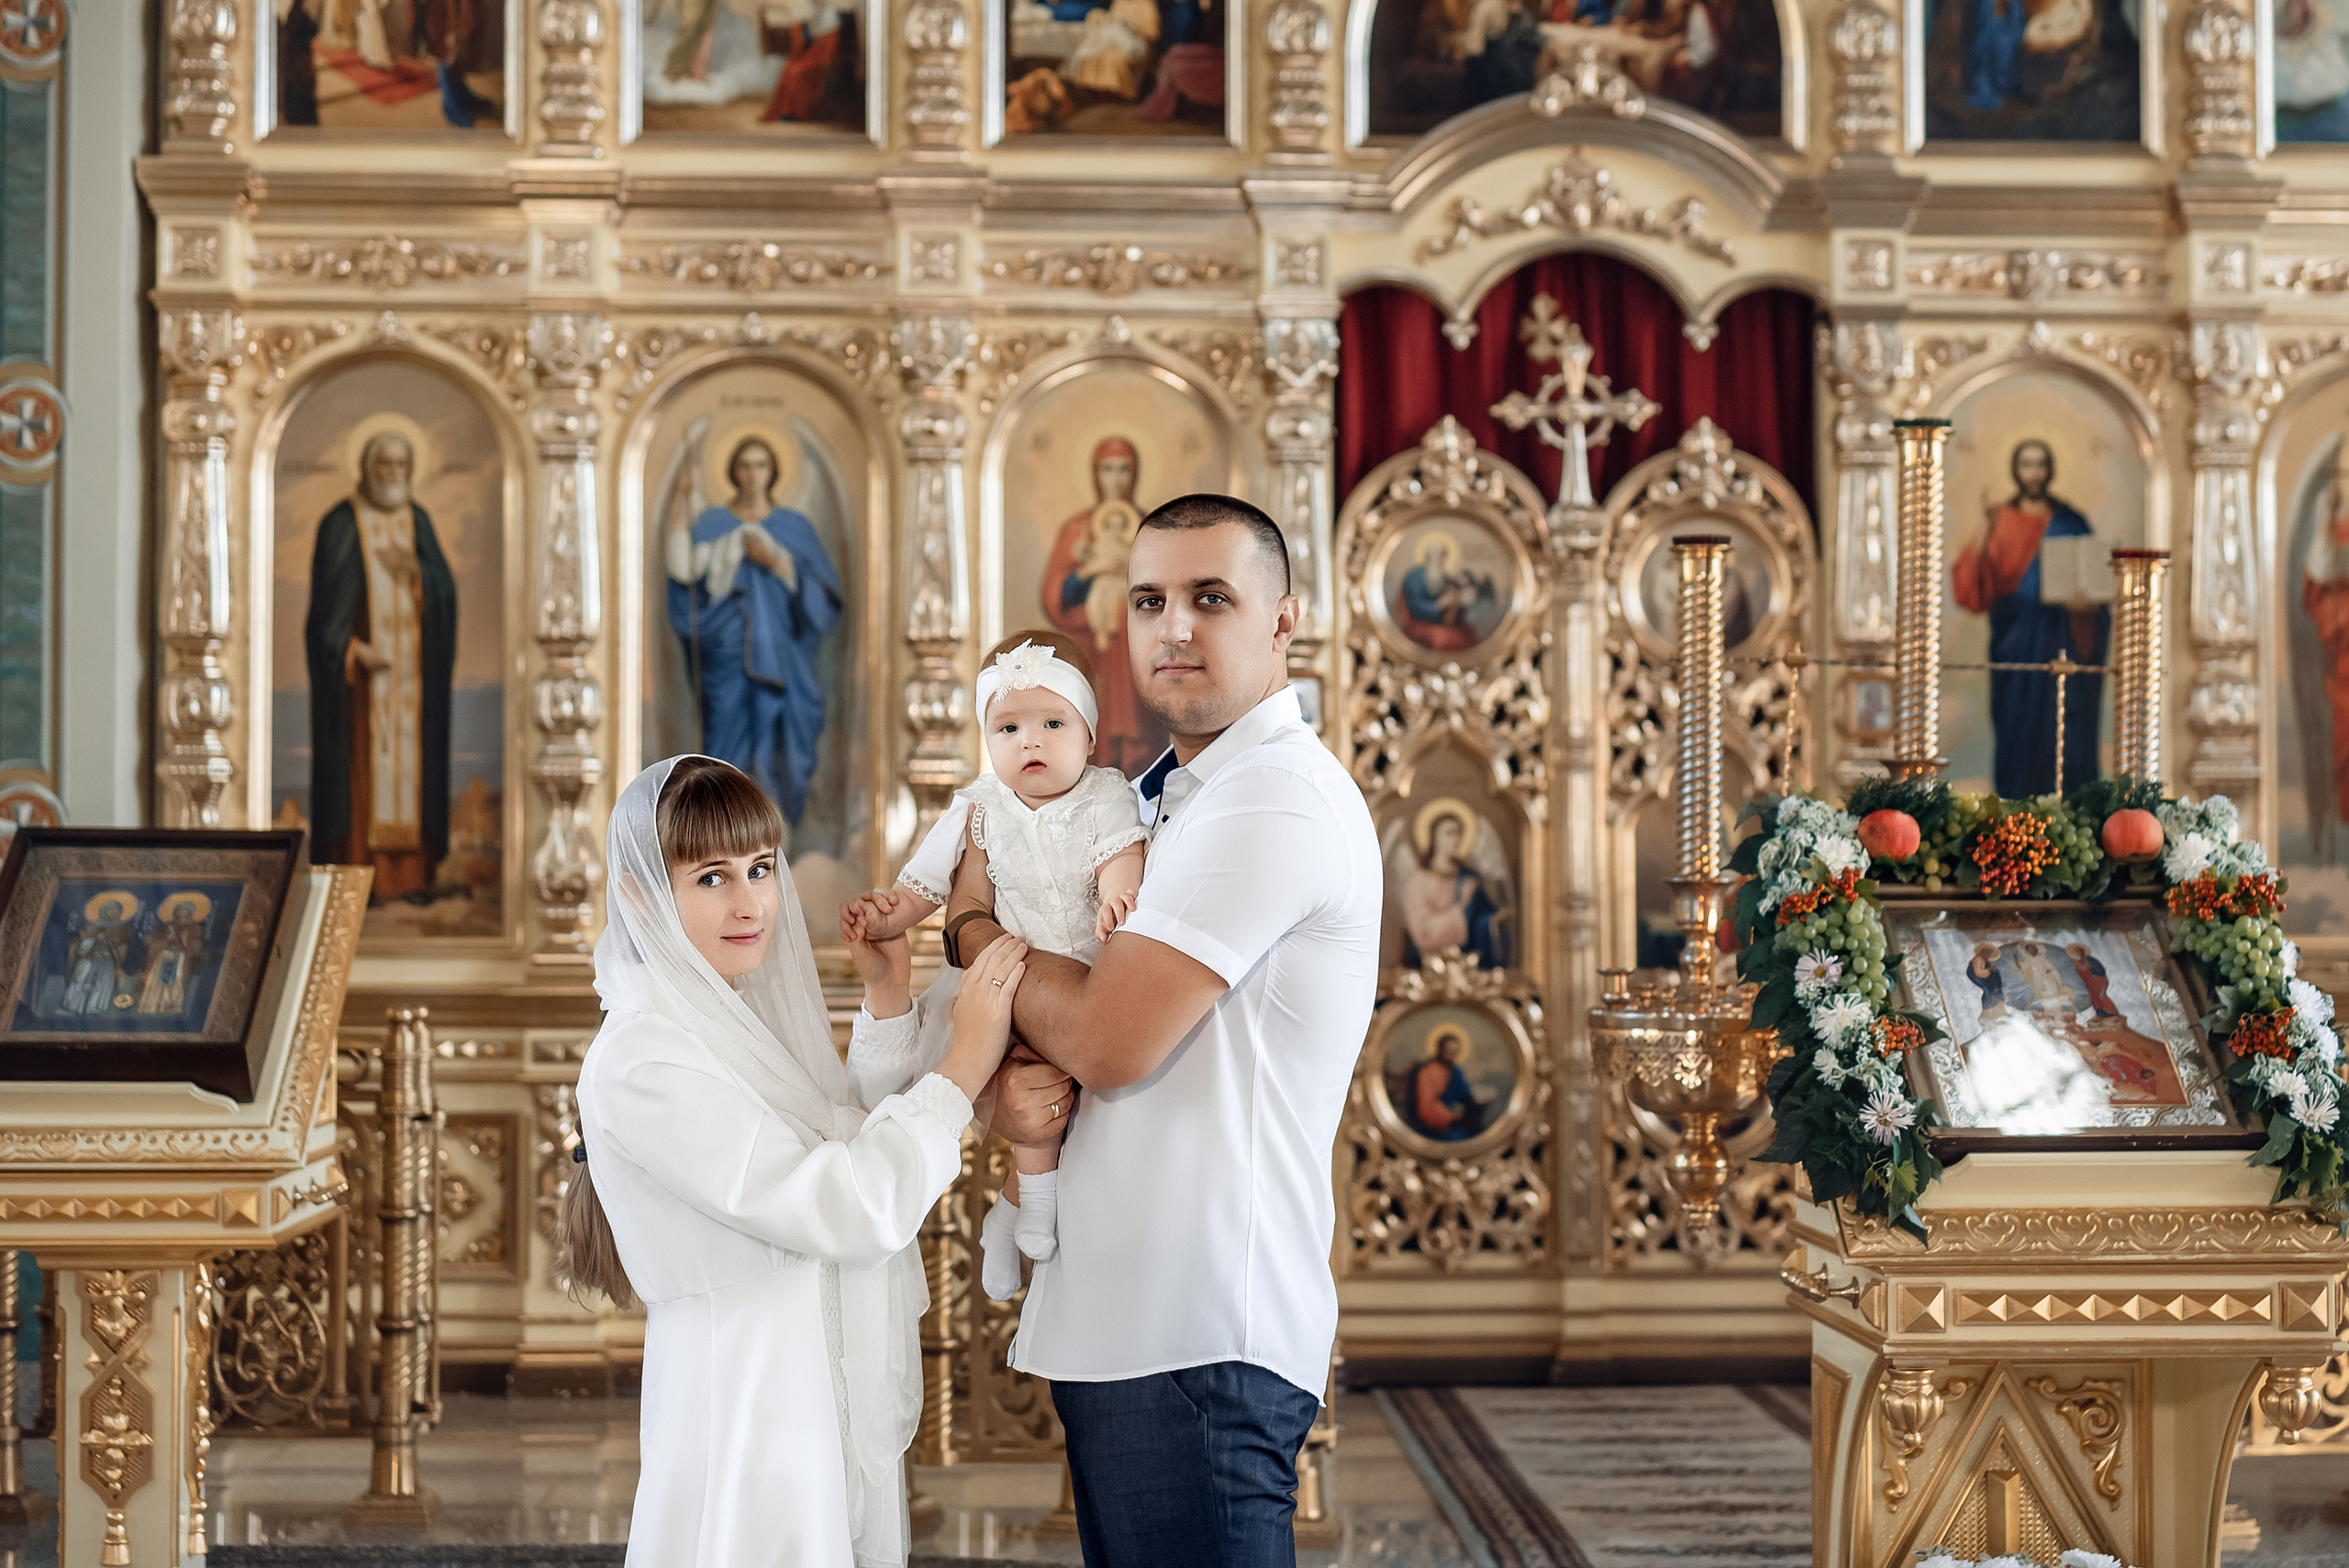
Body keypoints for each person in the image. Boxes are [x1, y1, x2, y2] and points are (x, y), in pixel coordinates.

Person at [945, 493, 1382, 1567]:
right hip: (1141, 1316)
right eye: (1149, 599)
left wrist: (970, 934)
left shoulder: (1269, 796)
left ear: (1283, 620)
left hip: (1199, 1330)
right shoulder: (1164, 794)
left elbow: (1108, 1037)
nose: (1174, 626)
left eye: (1211, 597)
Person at [559, 754, 1028, 1567]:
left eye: (761, 867)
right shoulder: (643, 1060)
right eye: (711, 877)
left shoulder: (724, 1017)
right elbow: (842, 1203)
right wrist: (962, 1068)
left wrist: (886, 999)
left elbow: (834, 1141)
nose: (750, 903)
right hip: (740, 1408)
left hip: (802, 1391)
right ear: (637, 896)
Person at [841, 629, 1148, 1286]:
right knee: (1031, 1086)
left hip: (1087, 974)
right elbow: (936, 889)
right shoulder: (980, 810)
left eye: (1051, 723)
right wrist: (888, 914)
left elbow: (1123, 855)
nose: (1029, 741)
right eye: (1007, 727)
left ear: (1089, 735)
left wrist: (1120, 896)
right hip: (1007, 983)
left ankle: (1012, 1215)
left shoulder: (1105, 796)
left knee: (1071, 1101)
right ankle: (1032, 1208)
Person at [304, 430, 460, 905]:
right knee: (362, 773)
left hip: (413, 680)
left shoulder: (419, 522)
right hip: (359, 691)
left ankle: (411, 879)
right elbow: (322, 617)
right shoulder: (340, 524)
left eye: (399, 466)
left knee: (410, 775)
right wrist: (350, 650)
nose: (392, 475)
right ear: (366, 469)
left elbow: (444, 594)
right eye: (383, 466)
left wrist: (417, 574)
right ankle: (357, 877)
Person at [666, 436, 845, 829]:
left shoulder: (792, 527)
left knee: (781, 745)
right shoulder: (713, 523)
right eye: (745, 465)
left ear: (774, 472)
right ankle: (725, 827)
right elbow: (686, 584)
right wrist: (680, 506)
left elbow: (822, 600)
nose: (752, 474)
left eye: (761, 465)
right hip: (725, 655)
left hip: (784, 659)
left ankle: (777, 832)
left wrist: (778, 565)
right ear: (732, 471)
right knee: (725, 743)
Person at [1952, 439, 2108, 798]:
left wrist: (2085, 606)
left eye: (2040, 464)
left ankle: (2069, 806)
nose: (2034, 473)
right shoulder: (1999, 519)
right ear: (2015, 470)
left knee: (2063, 729)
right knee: (2016, 729)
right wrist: (1984, 530)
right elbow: (1974, 588)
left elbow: (2095, 589)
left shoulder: (2071, 522)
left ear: (2050, 469)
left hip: (2063, 640)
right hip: (2016, 643)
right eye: (2026, 464)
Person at [1042, 438, 1170, 775]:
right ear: (1095, 474)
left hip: (1135, 649)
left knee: (1141, 732)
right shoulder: (1078, 529)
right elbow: (1058, 594)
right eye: (1108, 469)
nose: (1116, 479)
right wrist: (1090, 573)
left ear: (1135, 474)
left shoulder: (1152, 526)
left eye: (1124, 469)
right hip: (1092, 647)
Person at [1397, 803, 1511, 970]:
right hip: (1429, 964)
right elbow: (1423, 933)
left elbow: (1483, 916)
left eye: (1459, 833)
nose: (1456, 839)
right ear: (1435, 838)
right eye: (1449, 833)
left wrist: (1494, 920)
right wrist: (1462, 905)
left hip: (1470, 963)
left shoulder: (1468, 877)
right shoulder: (1419, 882)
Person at [2066, 941, 2119, 1018]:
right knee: (2094, 999)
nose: (2078, 954)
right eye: (2076, 952)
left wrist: (2088, 966)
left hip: (2098, 980)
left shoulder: (2090, 960)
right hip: (2089, 984)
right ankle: (2100, 1014)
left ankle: (2112, 1013)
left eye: (2079, 952)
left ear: (2082, 952)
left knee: (2101, 997)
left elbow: (2100, 971)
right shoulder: (2077, 964)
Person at [1965, 942, 2007, 1021]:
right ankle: (1988, 1011)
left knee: (1997, 985)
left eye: (1990, 953)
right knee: (1991, 989)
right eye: (1987, 953)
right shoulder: (1978, 959)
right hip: (1978, 976)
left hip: (1985, 975)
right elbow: (1978, 972)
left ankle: (1999, 1008)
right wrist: (1989, 970)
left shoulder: (1985, 960)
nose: (1988, 955)